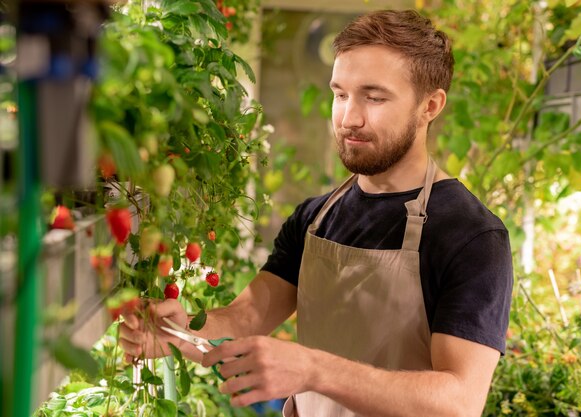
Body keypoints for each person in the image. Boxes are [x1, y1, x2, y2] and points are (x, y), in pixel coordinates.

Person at [120, 9, 513, 417]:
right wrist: (182, 332)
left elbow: (459, 401)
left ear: (430, 105)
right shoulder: (317, 217)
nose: (349, 118)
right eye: (340, 94)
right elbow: (249, 314)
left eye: (374, 97)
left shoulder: (470, 235)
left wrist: (313, 368)